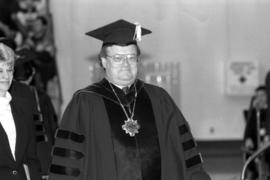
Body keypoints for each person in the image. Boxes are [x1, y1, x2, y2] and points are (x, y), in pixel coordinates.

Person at [49, 19, 211, 180]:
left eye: (131, 57)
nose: (125, 64)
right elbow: (68, 163)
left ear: (138, 61)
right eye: (118, 58)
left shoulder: (159, 98)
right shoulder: (85, 103)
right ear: (104, 62)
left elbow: (185, 151)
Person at [14, 48, 58, 180]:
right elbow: (52, 127)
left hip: (18, 159)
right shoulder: (40, 96)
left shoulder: (6, 97)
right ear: (32, 72)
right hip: (43, 157)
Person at [0, 38, 41, 179]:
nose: (6, 76)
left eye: (9, 70)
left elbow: (31, 158)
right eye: (0, 70)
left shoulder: (23, 107)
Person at [243, 85, 270, 179]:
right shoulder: (255, 112)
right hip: (257, 143)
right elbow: (249, 129)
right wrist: (248, 138)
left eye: (262, 95)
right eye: (257, 96)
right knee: (249, 151)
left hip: (268, 143)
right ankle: (254, 173)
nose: (260, 98)